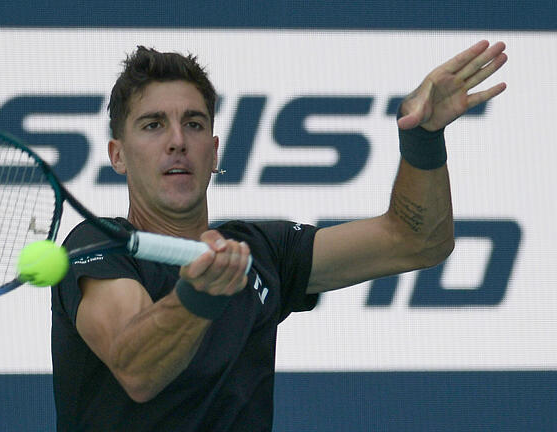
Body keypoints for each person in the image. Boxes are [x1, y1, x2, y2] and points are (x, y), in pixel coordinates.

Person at [51, 41, 507, 431]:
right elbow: (138, 370)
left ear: (213, 152)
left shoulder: (263, 252)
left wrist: (423, 138)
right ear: (118, 155)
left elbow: (417, 239)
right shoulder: (97, 245)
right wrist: (198, 299)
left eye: (193, 124)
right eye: (152, 125)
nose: (177, 141)